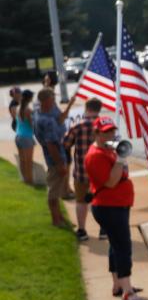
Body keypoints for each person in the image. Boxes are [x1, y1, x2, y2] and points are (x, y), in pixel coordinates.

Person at [84, 116, 147, 300]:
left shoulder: (107, 150)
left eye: (112, 130)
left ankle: (118, 285)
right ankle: (128, 292)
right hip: (109, 207)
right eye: (106, 132)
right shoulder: (96, 155)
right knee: (123, 247)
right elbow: (110, 182)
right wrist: (120, 159)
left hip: (117, 205)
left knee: (115, 245)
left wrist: (118, 156)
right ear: (96, 133)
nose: (111, 134)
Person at [64, 98, 103, 241]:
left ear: (86, 108)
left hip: (81, 171)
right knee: (100, 201)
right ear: (99, 109)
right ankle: (104, 230)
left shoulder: (77, 125)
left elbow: (66, 144)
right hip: (101, 172)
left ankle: (82, 231)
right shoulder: (104, 126)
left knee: (81, 201)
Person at [33, 88, 70, 226]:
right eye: (52, 99)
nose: (54, 101)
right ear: (46, 101)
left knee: (56, 188)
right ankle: (56, 220)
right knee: (54, 192)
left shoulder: (38, 113)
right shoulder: (46, 120)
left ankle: (59, 217)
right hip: (55, 159)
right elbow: (51, 145)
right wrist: (60, 164)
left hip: (52, 157)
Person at [14, 89, 35, 184]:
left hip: (18, 135)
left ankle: (25, 179)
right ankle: (30, 180)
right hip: (27, 137)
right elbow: (32, 125)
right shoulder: (28, 110)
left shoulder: (18, 108)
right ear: (29, 98)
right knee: (28, 161)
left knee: (22, 160)